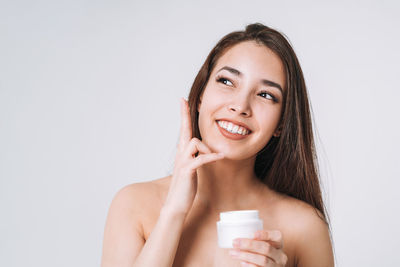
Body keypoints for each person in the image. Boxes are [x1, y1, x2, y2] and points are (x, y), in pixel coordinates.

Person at [101, 23, 334, 267]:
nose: (240, 106)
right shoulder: (133, 205)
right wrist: (174, 211)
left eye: (265, 95)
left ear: (281, 124)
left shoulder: (305, 228)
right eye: (227, 81)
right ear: (200, 95)